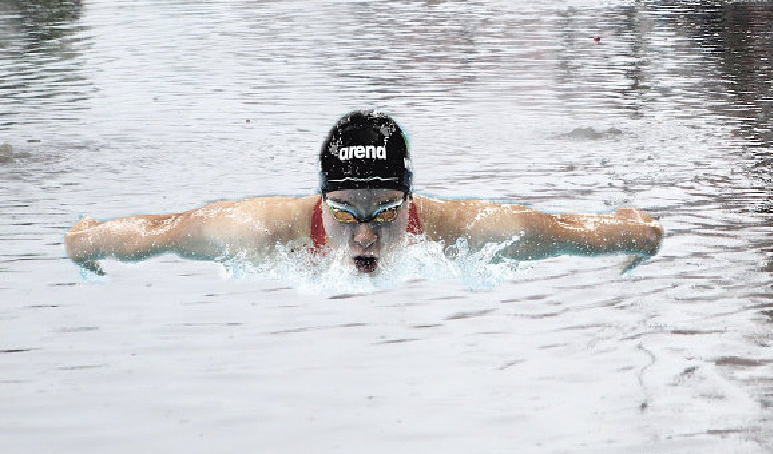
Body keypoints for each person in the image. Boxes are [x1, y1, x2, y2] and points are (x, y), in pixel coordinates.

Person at [64, 110, 663, 277]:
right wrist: (87, 241)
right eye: (347, 210)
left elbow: (566, 232)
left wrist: (636, 231)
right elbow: (158, 234)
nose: (367, 232)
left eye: (384, 210)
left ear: (413, 203)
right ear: (321, 202)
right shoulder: (260, 229)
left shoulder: (465, 230)